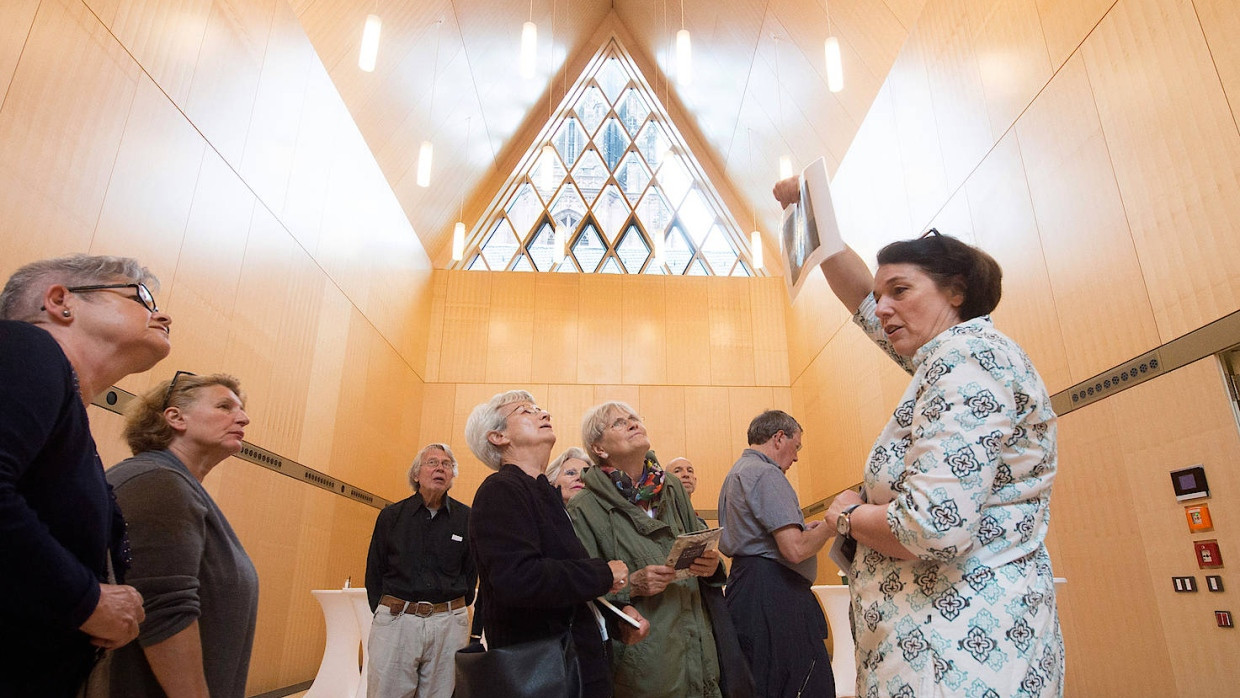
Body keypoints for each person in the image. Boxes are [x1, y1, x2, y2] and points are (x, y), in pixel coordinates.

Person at [778, 179, 1064, 695]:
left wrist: (847, 515)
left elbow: (933, 526)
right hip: (940, 642)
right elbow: (862, 301)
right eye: (880, 295)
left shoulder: (967, 359)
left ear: (956, 291)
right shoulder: (943, 357)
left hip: (958, 651)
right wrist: (810, 212)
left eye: (900, 291)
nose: (882, 307)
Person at [0, 254, 172, 695]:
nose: (163, 316)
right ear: (61, 301)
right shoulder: (29, 347)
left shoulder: (60, 397)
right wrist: (86, 599)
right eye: (142, 297)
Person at [466, 391, 650, 698]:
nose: (544, 414)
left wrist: (616, 618)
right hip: (545, 674)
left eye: (539, 408)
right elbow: (519, 579)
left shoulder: (545, 494)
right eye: (525, 411)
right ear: (498, 436)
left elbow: (565, 591)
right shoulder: (501, 490)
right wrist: (603, 574)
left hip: (575, 666)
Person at [106, 372, 260, 698]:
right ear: (176, 417)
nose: (243, 418)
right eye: (224, 406)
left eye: (241, 410)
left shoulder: (174, 483)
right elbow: (165, 614)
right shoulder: (157, 481)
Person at [568, 402, 726, 698]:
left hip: (699, 648)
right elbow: (582, 593)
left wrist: (712, 566)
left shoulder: (672, 487)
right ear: (599, 448)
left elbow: (700, 541)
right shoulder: (583, 507)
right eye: (618, 423)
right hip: (645, 663)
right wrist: (633, 585)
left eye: (634, 418)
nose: (632, 423)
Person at [717, 410, 835, 698]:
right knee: (802, 684)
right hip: (775, 596)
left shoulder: (736, 473)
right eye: (797, 447)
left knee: (759, 682)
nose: (796, 458)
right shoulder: (766, 473)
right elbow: (795, 549)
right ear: (779, 438)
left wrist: (806, 530)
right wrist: (832, 525)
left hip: (746, 588)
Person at [364, 443, 476, 698]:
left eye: (446, 464)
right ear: (416, 474)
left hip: (449, 624)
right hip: (397, 621)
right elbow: (374, 571)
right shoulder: (391, 516)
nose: (440, 468)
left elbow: (471, 572)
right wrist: (389, 612)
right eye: (432, 462)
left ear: (452, 475)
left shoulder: (467, 518)